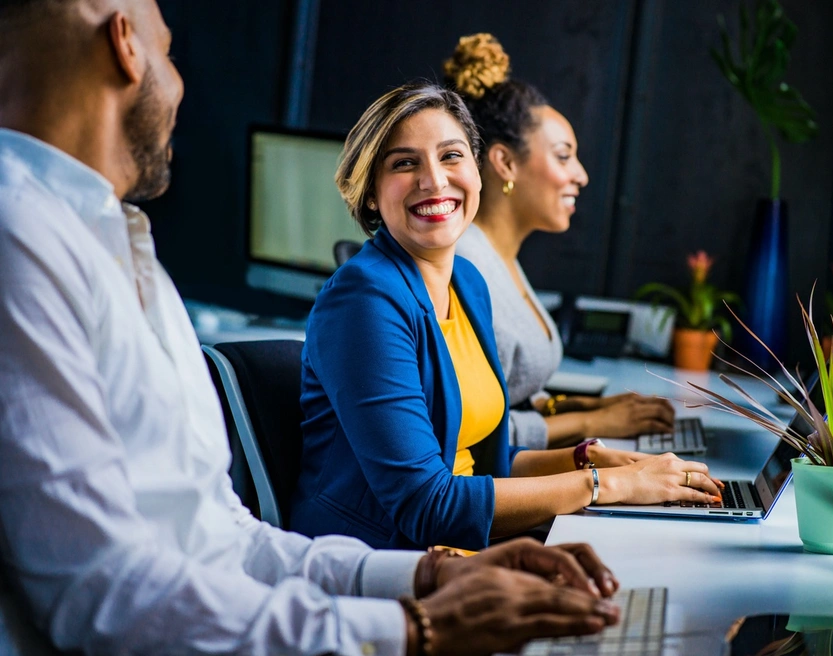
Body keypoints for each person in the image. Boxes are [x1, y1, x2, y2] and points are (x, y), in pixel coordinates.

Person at [0, 1, 624, 654]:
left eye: (450, 156)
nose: (180, 84)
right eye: (170, 51)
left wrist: (432, 577)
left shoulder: (117, 242)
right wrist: (419, 626)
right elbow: (102, 597)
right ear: (126, 46)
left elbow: (221, 539)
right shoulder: (22, 240)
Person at [292, 81, 723, 552]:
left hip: (461, 550)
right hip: (380, 565)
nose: (434, 180)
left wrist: (588, 460)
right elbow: (426, 505)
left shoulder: (469, 283)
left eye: (451, 156)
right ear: (371, 193)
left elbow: (482, 465)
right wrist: (608, 485)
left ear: (478, 172)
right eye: (404, 163)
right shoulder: (363, 301)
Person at [447, 33, 677, 450]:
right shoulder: (466, 267)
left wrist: (585, 408)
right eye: (563, 155)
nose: (581, 175)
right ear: (505, 162)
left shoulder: (501, 258)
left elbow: (509, 396)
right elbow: (473, 436)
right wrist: (594, 423)